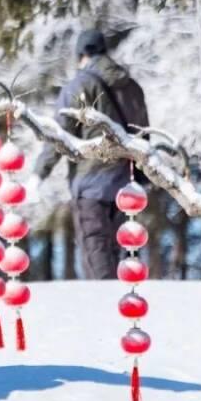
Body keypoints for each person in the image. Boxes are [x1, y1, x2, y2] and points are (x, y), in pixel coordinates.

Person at [29, 29, 149, 279]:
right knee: (124, 251)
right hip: (127, 184)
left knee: (96, 250)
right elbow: (144, 134)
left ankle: (105, 307)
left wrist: (38, 175)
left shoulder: (79, 85)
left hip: (91, 184)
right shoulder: (133, 86)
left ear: (81, 55)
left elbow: (59, 136)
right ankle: (125, 307)